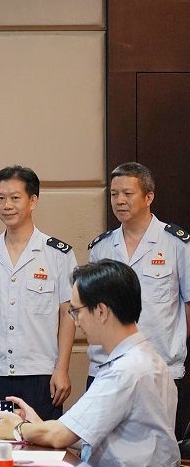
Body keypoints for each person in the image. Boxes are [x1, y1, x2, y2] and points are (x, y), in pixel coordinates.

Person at [0, 260, 179, 467]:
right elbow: (88, 432)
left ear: (101, 311)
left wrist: (18, 429)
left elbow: (60, 436)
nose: (75, 322)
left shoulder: (125, 371)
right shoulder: (147, 359)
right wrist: (39, 426)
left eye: (76, 312)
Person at [86, 162, 190, 436]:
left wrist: (175, 342)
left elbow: (188, 304)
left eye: (127, 194)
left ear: (148, 196)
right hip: (106, 369)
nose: (119, 201)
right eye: (114, 194)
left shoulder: (177, 244)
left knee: (160, 452)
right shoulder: (101, 248)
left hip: (160, 369)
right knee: (100, 451)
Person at [0, 166, 77, 420]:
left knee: (41, 441)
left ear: (33, 201)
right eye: (0, 198)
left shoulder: (58, 254)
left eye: (15, 198)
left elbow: (68, 313)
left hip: (41, 375)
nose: (7, 205)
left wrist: (62, 368)